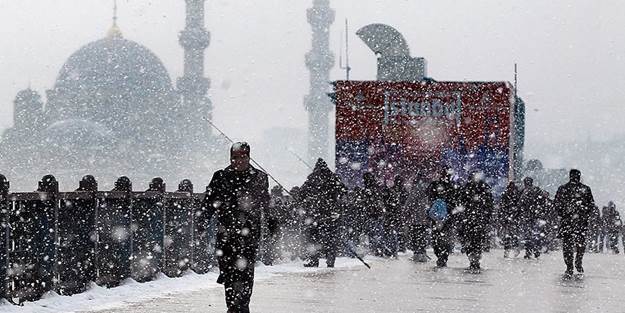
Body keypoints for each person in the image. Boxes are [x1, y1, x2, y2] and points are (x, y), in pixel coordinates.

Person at [203, 142, 274, 313]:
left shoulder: (260, 178)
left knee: (245, 273)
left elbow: (266, 203)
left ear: (249, 158)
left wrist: (271, 221)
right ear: (230, 158)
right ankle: (234, 306)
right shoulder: (220, 176)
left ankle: (241, 306)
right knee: (229, 274)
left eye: (242, 157)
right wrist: (202, 221)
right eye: (235, 158)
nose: (238, 161)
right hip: (226, 234)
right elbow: (209, 203)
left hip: (249, 235)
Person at [299, 158, 346, 267]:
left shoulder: (312, 179)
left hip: (315, 215)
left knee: (312, 238)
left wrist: (308, 200)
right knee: (331, 239)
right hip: (330, 214)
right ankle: (330, 260)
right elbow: (344, 190)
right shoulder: (334, 179)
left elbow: (301, 193)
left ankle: (313, 260)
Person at [554, 169, 595, 278]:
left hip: (568, 222)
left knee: (568, 246)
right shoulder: (585, 189)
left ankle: (570, 266)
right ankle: (577, 262)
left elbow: (556, 204)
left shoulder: (563, 189)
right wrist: (583, 212)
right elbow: (591, 205)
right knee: (579, 244)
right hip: (580, 222)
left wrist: (564, 212)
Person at [457, 171, 494, 272]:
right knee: (475, 241)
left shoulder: (471, 188)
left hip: (473, 220)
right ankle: (474, 259)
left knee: (472, 240)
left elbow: (461, 203)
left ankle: (474, 260)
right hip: (474, 220)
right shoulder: (475, 189)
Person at [427, 168, 457, 268]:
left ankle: (441, 256)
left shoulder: (437, 185)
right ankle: (442, 257)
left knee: (438, 238)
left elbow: (429, 198)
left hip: (439, 218)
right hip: (444, 218)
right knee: (443, 239)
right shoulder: (451, 186)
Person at [518, 177, 547, 259]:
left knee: (528, 235)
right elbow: (543, 201)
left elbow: (520, 204)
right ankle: (536, 250)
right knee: (536, 234)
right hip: (536, 216)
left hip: (528, 216)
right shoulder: (537, 190)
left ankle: (529, 251)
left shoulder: (524, 192)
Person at [405, 175, 430, 262]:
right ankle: (423, 253)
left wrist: (406, 212)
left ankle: (417, 254)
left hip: (415, 219)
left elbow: (408, 204)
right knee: (423, 236)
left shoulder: (415, 191)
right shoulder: (428, 190)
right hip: (425, 219)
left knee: (415, 236)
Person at [499, 182, 522, 258]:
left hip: (511, 218)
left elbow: (502, 207)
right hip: (510, 218)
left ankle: (509, 250)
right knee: (510, 235)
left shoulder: (507, 195)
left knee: (510, 235)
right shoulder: (514, 195)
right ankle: (509, 250)